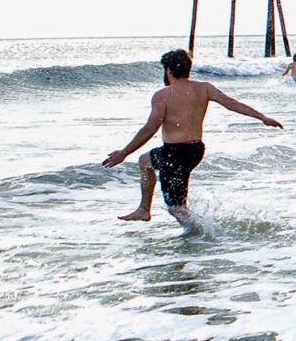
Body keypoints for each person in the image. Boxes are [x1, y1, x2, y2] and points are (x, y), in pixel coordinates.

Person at [103, 49, 283, 228]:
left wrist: (124, 152)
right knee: (145, 161)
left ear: (168, 70)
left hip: (175, 153)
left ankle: (204, 234)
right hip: (195, 150)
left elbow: (150, 128)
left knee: (176, 208)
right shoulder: (204, 88)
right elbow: (231, 103)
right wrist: (262, 117)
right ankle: (144, 209)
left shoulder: (162, 95)